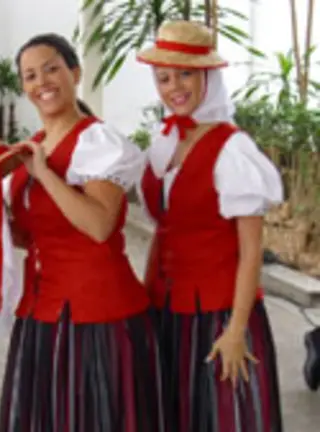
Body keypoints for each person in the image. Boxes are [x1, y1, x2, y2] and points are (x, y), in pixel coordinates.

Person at [0, 33, 163, 431]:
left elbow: (99, 225)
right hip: (43, 310)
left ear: (75, 72)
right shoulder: (32, 147)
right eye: (31, 75)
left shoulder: (97, 142)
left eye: (52, 69)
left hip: (98, 315)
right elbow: (32, 236)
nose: (42, 82)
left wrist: (43, 175)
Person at [137, 20, 284, 431]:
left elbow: (251, 250)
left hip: (220, 314)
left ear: (207, 76)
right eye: (163, 77)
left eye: (185, 74)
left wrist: (236, 331)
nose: (174, 87)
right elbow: (162, 233)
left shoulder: (232, 148)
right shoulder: (163, 142)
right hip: (167, 311)